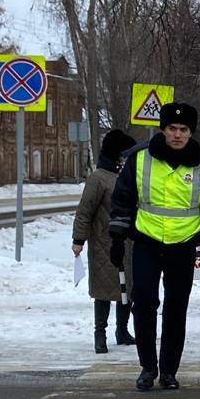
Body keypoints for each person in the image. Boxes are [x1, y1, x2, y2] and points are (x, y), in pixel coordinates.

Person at [109, 103, 200, 391]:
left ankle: (170, 370)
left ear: (190, 132)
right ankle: (148, 367)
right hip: (147, 242)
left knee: (176, 308)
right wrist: (117, 238)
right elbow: (122, 199)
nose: (177, 134)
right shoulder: (139, 159)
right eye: (172, 129)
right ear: (163, 129)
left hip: (183, 245)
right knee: (145, 304)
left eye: (183, 130)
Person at [72, 128, 138, 353]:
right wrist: (78, 239)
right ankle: (100, 333)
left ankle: (123, 330)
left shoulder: (130, 176)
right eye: (124, 154)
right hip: (103, 243)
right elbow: (85, 211)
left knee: (126, 288)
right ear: (116, 154)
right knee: (104, 290)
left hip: (129, 243)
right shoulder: (99, 178)